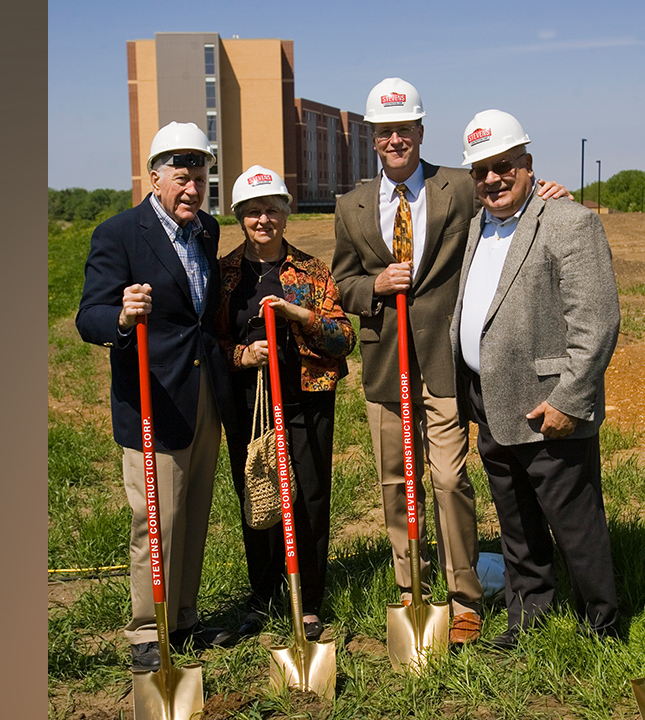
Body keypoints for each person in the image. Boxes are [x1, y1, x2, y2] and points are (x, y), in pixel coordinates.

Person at [331, 78, 572, 649]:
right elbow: (341, 282)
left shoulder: (459, 187)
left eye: (404, 129)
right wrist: (373, 285)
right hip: (386, 366)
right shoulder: (351, 205)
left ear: (420, 130)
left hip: (443, 362)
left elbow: (508, 193)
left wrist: (548, 195)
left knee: (448, 478)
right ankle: (411, 589)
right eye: (384, 131)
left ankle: (464, 599)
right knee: (395, 483)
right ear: (374, 138)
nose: (396, 140)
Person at [451, 110, 622, 651]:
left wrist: (569, 399)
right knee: (516, 521)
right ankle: (529, 615)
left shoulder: (569, 222)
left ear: (527, 165)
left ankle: (604, 626)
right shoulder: (478, 225)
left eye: (503, 167)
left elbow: (596, 321)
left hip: (549, 404)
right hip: (490, 400)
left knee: (575, 522)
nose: (492, 180)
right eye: (481, 172)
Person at [75, 121, 235, 674]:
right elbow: (87, 316)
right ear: (154, 177)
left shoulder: (207, 230)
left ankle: (184, 616)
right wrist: (121, 315)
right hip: (152, 398)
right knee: (157, 519)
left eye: (201, 177)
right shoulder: (120, 233)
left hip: (202, 395)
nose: (193, 188)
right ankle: (148, 629)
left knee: (192, 515)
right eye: (182, 178)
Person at [215, 166, 356, 642]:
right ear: (239, 217)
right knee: (258, 496)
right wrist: (243, 353)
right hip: (250, 400)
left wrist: (301, 315)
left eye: (272, 210)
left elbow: (343, 338)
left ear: (285, 214)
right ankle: (264, 596)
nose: (263, 219)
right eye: (253, 211)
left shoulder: (312, 271)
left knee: (309, 497)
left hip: (307, 398)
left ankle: (309, 599)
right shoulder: (225, 274)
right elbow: (211, 342)